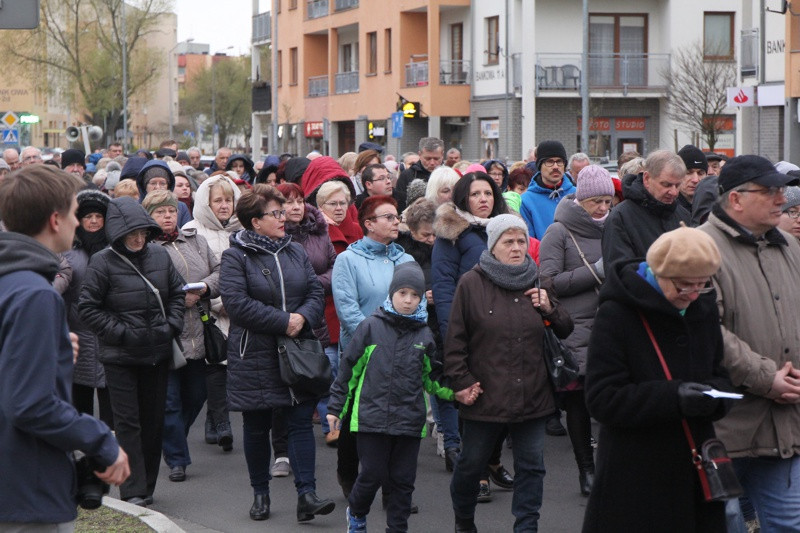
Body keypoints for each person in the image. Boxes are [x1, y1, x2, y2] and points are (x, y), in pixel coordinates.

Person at [0, 166, 129, 530]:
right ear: (55, 220)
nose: (78, 222)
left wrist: (50, 354)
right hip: (26, 490)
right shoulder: (35, 294)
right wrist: (101, 440)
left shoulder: (11, 282)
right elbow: (30, 405)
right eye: (74, 212)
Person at [583, 226, 734, 532]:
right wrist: (674, 397)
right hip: (635, 474)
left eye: (702, 285)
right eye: (684, 286)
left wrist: (715, 398)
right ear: (657, 273)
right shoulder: (617, 314)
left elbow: (720, 374)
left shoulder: (702, 307)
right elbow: (602, 398)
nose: (693, 295)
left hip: (694, 469)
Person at [446, 214, 573, 533]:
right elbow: (455, 341)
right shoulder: (471, 283)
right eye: (508, 242)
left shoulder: (539, 280)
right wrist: (461, 382)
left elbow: (565, 328)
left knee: (532, 467)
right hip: (484, 395)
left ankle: (527, 527)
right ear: (493, 246)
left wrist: (549, 308)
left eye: (521, 241)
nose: (516, 248)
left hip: (533, 394)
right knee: (470, 465)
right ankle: (464, 521)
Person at [220, 184, 335, 523]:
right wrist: (285, 321)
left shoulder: (295, 250)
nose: (284, 217)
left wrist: (302, 318)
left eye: (283, 211)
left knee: (299, 422)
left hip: (298, 349)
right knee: (257, 425)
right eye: (276, 213)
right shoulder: (235, 256)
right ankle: (260, 493)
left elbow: (315, 291)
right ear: (255, 222)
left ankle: (307, 495)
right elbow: (237, 304)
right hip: (255, 353)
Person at [698, 155, 800, 532]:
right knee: (724, 523)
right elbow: (705, 330)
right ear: (736, 199)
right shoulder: (701, 247)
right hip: (724, 424)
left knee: (789, 524)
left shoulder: (790, 247)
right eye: (769, 191)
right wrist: (767, 378)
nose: (781, 199)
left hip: (785, 423)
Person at [328, 262, 457, 533]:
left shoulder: (424, 334)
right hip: (371, 419)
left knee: (403, 481)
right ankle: (357, 513)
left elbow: (432, 378)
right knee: (372, 474)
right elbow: (349, 370)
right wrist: (335, 408)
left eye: (415, 295)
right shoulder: (370, 327)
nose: (408, 300)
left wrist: (459, 392)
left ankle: (397, 528)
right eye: (402, 293)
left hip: (409, 420)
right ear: (391, 294)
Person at [78, 196, 185, 506]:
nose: (138, 239)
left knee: (153, 422)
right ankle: (132, 488)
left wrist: (171, 325)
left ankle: (147, 485)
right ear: (118, 233)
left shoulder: (159, 255)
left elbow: (177, 293)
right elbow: (88, 307)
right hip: (120, 358)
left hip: (157, 353)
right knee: (127, 424)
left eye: (142, 232)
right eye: (132, 234)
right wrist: (121, 333)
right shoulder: (103, 261)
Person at [432, 172, 513, 497]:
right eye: (476, 193)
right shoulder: (451, 232)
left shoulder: (507, 228)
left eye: (488, 193)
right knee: (475, 400)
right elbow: (443, 287)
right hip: (470, 330)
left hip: (506, 328)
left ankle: (492, 461)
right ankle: (477, 470)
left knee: (506, 399)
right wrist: (452, 334)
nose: (483, 199)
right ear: (463, 198)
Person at [331, 195, 414, 498]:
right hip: (364, 352)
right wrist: (380, 342)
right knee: (357, 418)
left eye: (396, 216)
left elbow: (417, 305)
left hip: (403, 352)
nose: (396, 222)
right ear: (369, 224)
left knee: (398, 419)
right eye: (388, 217)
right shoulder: (348, 260)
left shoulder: (405, 260)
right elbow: (348, 310)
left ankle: (394, 486)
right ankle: (349, 474)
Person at [539, 165, 613, 496]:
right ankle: (587, 470)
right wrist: (595, 271)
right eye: (596, 201)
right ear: (580, 199)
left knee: (613, 401)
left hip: (611, 325)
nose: (602, 208)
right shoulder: (559, 231)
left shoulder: (615, 226)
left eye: (607, 201)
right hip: (575, 329)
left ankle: (611, 466)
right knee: (580, 402)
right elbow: (548, 283)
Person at [142, 190, 220, 483]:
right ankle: (177, 459)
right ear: (149, 216)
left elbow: (220, 271)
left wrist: (204, 288)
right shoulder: (146, 249)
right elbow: (142, 289)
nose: (167, 216)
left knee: (197, 394)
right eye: (160, 212)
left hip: (199, 331)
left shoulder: (195, 241)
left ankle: (170, 438)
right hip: (167, 335)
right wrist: (178, 298)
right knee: (170, 401)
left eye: (171, 211)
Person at [182, 173, 242, 449]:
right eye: (218, 200)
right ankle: (221, 423)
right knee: (215, 366)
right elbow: (192, 273)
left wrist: (238, 304)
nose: (224, 205)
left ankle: (213, 420)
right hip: (207, 312)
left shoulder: (242, 230)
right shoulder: (192, 230)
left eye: (228, 200)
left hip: (240, 313)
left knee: (230, 369)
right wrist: (220, 303)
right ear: (207, 203)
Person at [277, 183, 339, 446]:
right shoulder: (277, 234)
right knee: (289, 375)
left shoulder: (319, 231)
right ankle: (284, 439)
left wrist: (312, 283)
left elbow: (335, 267)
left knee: (323, 371)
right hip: (286, 315)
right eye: (288, 202)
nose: (296, 207)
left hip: (316, 313)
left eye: (299, 201)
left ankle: (329, 426)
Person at [63, 190, 115, 430]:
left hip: (109, 331)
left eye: (98, 216)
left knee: (111, 403)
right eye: (87, 217)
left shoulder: (115, 248)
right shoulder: (68, 250)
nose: (93, 221)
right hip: (78, 332)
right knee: (79, 399)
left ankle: (110, 446)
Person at [602, 150, 690, 266]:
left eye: (677, 185)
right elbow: (618, 270)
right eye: (666, 185)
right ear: (647, 179)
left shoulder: (683, 215)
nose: (674, 192)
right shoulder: (620, 218)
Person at [519, 140, 577, 239]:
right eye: (549, 162)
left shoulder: (578, 195)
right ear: (539, 165)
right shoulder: (526, 201)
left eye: (559, 161)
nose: (555, 167)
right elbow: (529, 241)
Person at [135, 159, 192, 227]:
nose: (158, 187)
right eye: (153, 183)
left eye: (162, 183)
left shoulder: (181, 207)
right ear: (145, 186)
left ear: (168, 186)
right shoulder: (136, 208)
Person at [394, 137, 445, 211]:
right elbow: (401, 205)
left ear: (442, 155)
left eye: (436, 159)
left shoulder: (450, 175)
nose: (432, 163)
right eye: (427, 159)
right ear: (420, 155)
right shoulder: (407, 175)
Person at [676, 145, 708, 214]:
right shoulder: (668, 209)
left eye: (700, 173)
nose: (695, 180)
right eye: (688, 173)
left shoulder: (713, 208)